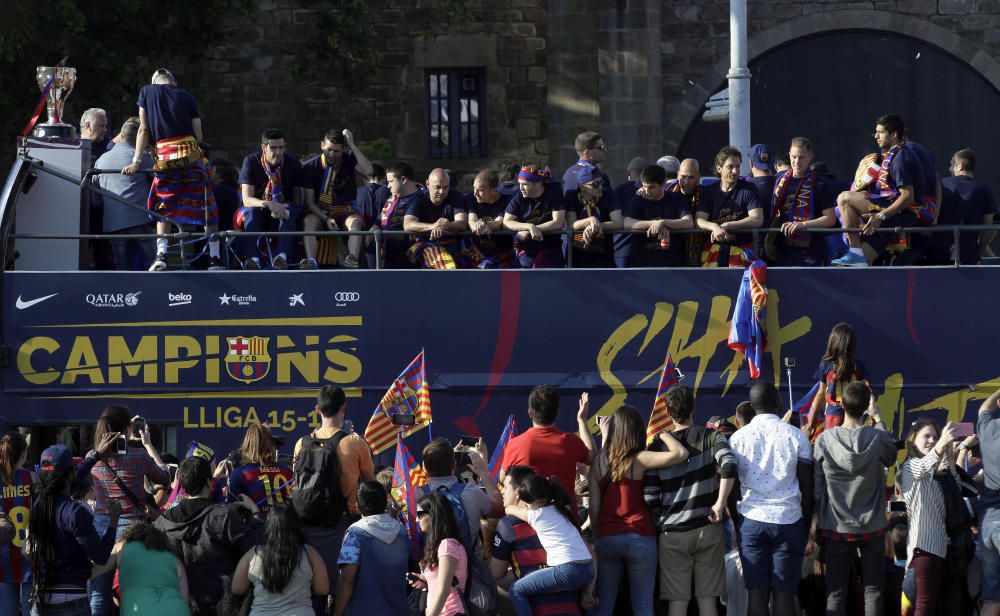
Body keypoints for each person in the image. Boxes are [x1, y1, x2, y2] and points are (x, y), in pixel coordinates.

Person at [643, 386, 737, 616]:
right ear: (694, 407)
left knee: (677, 603)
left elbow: (650, 497)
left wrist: (665, 513)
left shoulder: (658, 446)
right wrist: (720, 503)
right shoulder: (711, 436)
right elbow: (729, 464)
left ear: (668, 412)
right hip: (708, 528)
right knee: (707, 602)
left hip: (672, 534)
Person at [588, 404, 689, 616]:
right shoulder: (639, 458)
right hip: (640, 537)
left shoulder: (597, 462)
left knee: (604, 605)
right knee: (643, 606)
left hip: (607, 538)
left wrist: (599, 536)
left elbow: (594, 507)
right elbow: (681, 453)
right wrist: (662, 434)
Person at [122, 69, 222, 271]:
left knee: (163, 205)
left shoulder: (147, 92)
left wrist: (136, 161)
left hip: (165, 159)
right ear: (173, 82)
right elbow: (199, 136)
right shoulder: (188, 96)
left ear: (154, 81)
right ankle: (215, 258)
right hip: (191, 159)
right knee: (206, 205)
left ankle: (162, 255)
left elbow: (143, 129)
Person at [729, 382, 813, 616]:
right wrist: (805, 525)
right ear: (777, 403)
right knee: (784, 592)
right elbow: (807, 487)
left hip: (751, 520)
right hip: (788, 520)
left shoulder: (737, 439)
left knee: (756, 592)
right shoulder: (796, 436)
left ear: (753, 406)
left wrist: (738, 522)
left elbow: (732, 488)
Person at [813, 381, 897, 616]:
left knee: (836, 593)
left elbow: (818, 487)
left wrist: (817, 521)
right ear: (866, 406)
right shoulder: (877, 438)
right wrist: (878, 418)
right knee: (873, 591)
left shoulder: (824, 440)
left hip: (835, 526)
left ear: (842, 404)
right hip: (873, 526)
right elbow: (891, 456)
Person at [292, 385, 374, 595]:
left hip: (306, 526)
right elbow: (371, 486)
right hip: (342, 526)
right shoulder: (354, 442)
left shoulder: (301, 443)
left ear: (317, 409)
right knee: (342, 589)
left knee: (310, 589)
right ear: (343, 408)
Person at [89, 404, 171, 616]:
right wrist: (147, 444)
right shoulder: (138, 456)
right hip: (132, 531)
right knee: (133, 590)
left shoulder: (94, 457)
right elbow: (164, 477)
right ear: (127, 428)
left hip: (101, 528)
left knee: (99, 594)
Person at [155, 456, 261, 616]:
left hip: (177, 605)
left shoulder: (162, 522)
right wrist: (255, 515)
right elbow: (256, 549)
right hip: (221, 606)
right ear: (208, 482)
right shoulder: (223, 516)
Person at [28, 444, 121, 616]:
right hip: (72, 602)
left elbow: (69, 477)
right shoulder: (75, 513)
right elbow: (100, 556)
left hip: (40, 601)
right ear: (70, 476)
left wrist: (95, 456)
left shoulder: (38, 506)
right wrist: (114, 520)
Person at [833, 114, 924, 266]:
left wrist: (880, 216)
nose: (876, 136)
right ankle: (856, 254)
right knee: (862, 263)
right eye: (875, 132)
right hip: (894, 212)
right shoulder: (899, 154)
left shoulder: (902, 158)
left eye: (880, 132)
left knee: (844, 198)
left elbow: (908, 197)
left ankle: (854, 250)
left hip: (901, 213)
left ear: (894, 135)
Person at [491, 465, 582, 615]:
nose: (502, 491)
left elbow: (496, 573)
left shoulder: (508, 525)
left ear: (519, 492)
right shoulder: (562, 514)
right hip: (574, 607)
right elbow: (590, 557)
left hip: (538, 609)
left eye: (505, 487)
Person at [500, 385, 594, 516]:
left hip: (529, 525)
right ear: (557, 413)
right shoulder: (571, 441)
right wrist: (582, 420)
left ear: (530, 413)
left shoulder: (515, 444)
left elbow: (503, 478)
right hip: (566, 523)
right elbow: (592, 457)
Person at [898, 420, 958, 616]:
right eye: (927, 436)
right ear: (913, 439)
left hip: (936, 549)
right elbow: (921, 467)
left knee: (928, 606)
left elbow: (956, 490)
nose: (932, 440)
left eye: (935, 436)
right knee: (923, 607)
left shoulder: (935, 472)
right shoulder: (910, 465)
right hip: (923, 547)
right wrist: (942, 444)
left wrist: (950, 458)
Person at [232, 504, 329, 616]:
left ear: (268, 527)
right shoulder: (309, 553)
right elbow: (322, 589)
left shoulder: (253, 554)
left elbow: (237, 588)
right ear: (297, 526)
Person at [332, 481, 408, 616]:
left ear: (358, 506)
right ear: (385, 503)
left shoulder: (355, 534)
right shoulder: (403, 533)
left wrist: (337, 613)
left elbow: (347, 579)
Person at [302, 129, 374, 270]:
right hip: (320, 211)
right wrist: (326, 218)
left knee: (355, 222)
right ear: (322, 145)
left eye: (337, 151)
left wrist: (352, 145)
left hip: (344, 210)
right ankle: (311, 262)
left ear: (343, 150)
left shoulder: (348, 159)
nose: (332, 154)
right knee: (308, 221)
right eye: (329, 150)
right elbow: (310, 203)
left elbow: (369, 171)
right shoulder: (310, 167)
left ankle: (352, 260)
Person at [237, 128, 306, 270]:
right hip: (254, 209)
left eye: (281, 147)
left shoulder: (292, 164)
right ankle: (253, 260)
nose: (278, 152)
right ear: (264, 147)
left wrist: (283, 207)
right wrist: (269, 204)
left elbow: (297, 199)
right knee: (252, 212)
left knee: (289, 211)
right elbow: (247, 199)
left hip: (281, 211)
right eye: (274, 148)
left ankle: (281, 258)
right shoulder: (251, 162)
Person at [93, 117, 156, 271]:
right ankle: (162, 293)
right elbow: (158, 185)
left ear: (122, 135)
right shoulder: (143, 160)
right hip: (140, 219)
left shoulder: (101, 160)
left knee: (122, 267)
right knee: (155, 263)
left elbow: (95, 199)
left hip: (113, 223)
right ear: (140, 138)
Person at [765, 137, 837, 266]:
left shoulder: (820, 184)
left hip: (809, 250)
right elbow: (776, 214)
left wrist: (802, 225)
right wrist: (768, 242)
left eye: (801, 157)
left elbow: (830, 219)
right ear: (789, 155)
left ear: (810, 157)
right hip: (782, 248)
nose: (796, 162)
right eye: (793, 157)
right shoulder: (780, 181)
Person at [696, 147, 763, 267]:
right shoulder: (708, 191)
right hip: (713, 252)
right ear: (719, 168)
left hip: (743, 251)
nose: (735, 171)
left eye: (738, 166)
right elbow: (699, 219)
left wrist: (729, 225)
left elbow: (757, 219)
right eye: (730, 167)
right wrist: (714, 227)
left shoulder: (749, 189)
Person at [105, 521, 191, 616]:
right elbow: (184, 600)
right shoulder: (174, 559)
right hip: (177, 611)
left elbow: (99, 568)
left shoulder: (121, 547)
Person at [804, 322, 872, 440]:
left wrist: (812, 422)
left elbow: (821, 394)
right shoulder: (858, 365)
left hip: (833, 416)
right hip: (854, 416)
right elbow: (868, 391)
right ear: (852, 345)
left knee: (831, 448)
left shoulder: (825, 364)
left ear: (833, 341)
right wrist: (874, 417)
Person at [406, 492, 468, 616]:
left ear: (434, 515)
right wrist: (425, 580)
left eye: (421, 514)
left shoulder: (447, 545)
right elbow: (443, 583)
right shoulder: (442, 544)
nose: (417, 519)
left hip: (450, 612)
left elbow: (444, 590)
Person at [623, 164, 694, 267]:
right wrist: (654, 224)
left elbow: (688, 222)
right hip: (645, 262)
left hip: (674, 262)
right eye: (644, 186)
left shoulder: (676, 198)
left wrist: (663, 222)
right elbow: (627, 222)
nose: (647, 191)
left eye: (652, 187)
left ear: (663, 184)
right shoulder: (639, 199)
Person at [935, 148, 997, 264]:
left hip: (939, 254)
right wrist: (979, 250)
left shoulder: (942, 185)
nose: (950, 168)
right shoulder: (984, 190)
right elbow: (988, 227)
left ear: (960, 166)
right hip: (969, 256)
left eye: (952, 164)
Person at [404, 168, 470, 269]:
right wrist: (433, 226)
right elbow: (408, 225)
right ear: (427, 184)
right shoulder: (416, 198)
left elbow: (462, 223)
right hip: (425, 246)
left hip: (453, 247)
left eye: (445, 187)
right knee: (448, 265)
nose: (442, 191)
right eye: (437, 187)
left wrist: (447, 225)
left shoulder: (456, 196)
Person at [503, 166, 567, 268]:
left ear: (537, 183)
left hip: (551, 252)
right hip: (527, 253)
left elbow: (558, 222)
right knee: (525, 283)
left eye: (524, 184)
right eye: (519, 184)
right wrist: (529, 226)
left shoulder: (554, 193)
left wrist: (532, 230)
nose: (520, 188)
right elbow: (506, 222)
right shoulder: (520, 196)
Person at [227, 423, 293, 518]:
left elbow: (231, 511)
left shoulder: (239, 474)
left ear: (248, 444)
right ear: (271, 444)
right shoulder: (287, 471)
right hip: (284, 529)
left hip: (254, 529)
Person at [564, 164, 622, 268]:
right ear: (582, 187)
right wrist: (590, 220)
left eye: (601, 183)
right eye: (595, 184)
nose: (600, 187)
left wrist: (594, 226)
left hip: (604, 255)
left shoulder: (608, 194)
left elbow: (618, 223)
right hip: (578, 254)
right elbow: (571, 224)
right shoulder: (571, 196)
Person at [0, 432, 30, 615]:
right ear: (23, 455)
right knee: (30, 611)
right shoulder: (32, 479)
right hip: (28, 555)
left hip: (3, 558)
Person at [376, 161, 427, 268]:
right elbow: (379, 221)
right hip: (390, 259)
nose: (388, 186)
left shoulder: (424, 198)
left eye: (391, 181)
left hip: (415, 260)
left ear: (403, 179)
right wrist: (374, 229)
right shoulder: (391, 199)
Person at [976, 386, 1000, 616]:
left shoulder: (988, 428)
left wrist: (998, 392)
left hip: (988, 525)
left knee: (992, 598)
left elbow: (984, 408)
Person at [468, 169, 515, 268]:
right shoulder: (471, 199)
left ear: (493, 190)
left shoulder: (507, 201)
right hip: (477, 255)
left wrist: (484, 225)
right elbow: (472, 220)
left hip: (503, 255)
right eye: (474, 188)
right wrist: (476, 226)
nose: (475, 193)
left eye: (480, 190)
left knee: (510, 283)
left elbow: (498, 223)